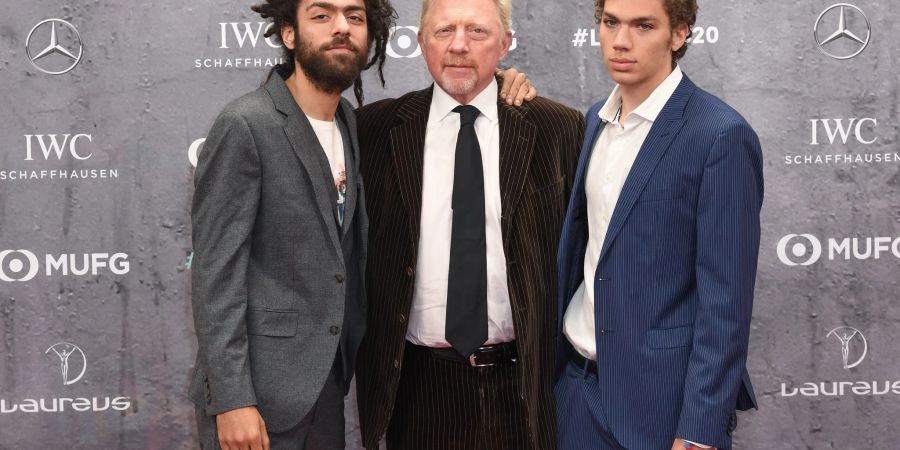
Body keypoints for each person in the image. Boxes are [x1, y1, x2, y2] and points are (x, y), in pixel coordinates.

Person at [354, 0, 584, 449]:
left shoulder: (559, 128)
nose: (458, 45)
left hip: (525, 391)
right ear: (421, 43)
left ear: (506, 44)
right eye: (443, 31)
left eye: (477, 32)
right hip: (417, 391)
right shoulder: (373, 130)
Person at [555, 0, 762, 449]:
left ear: (679, 34)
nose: (621, 41)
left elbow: (725, 302)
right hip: (576, 391)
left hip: (661, 405)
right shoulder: (594, 121)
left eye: (643, 25)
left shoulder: (719, 135)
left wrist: (700, 429)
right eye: (610, 23)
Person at [188, 0, 394, 448]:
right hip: (257, 399)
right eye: (321, 16)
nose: (341, 27)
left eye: (354, 17)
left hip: (326, 388)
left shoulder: (347, 122)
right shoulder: (246, 124)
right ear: (289, 34)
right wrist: (232, 399)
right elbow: (214, 275)